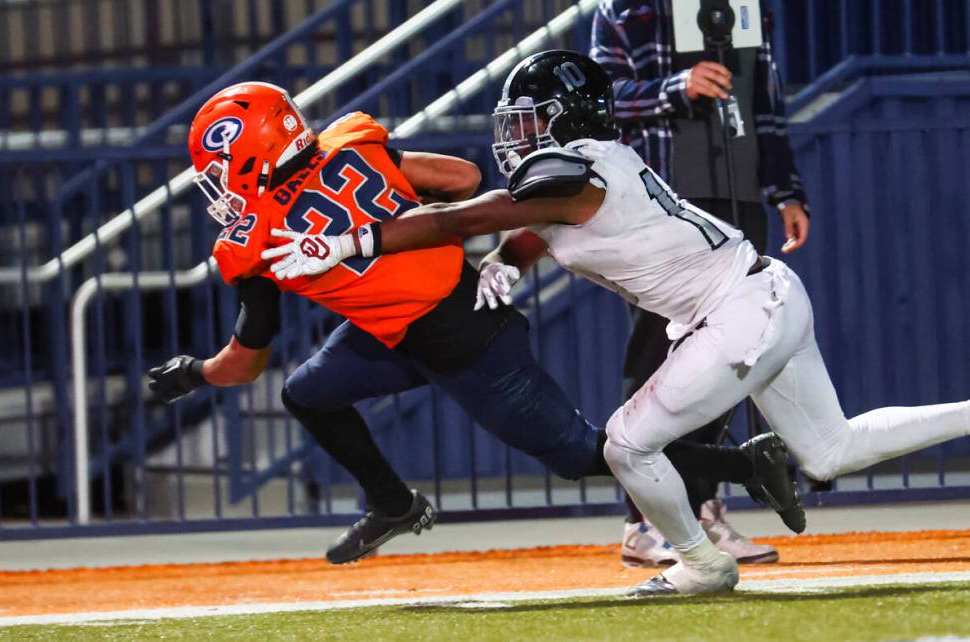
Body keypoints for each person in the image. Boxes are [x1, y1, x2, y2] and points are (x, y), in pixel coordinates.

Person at [265, 50, 970, 596]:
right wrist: (511, 260)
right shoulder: (591, 164)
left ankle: (700, 565)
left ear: (566, 118)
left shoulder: (571, 173)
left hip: (738, 311)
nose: (520, 134)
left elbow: (469, 215)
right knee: (831, 452)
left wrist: (359, 241)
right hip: (763, 295)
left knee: (628, 444)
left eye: (532, 119)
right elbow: (536, 223)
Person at [147, 80, 800, 566]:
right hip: (412, 321)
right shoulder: (350, 144)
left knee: (579, 451)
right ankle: (393, 503)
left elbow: (246, 361)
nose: (218, 184)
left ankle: (744, 466)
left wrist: (193, 373)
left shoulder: (251, 242)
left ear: (250, 153)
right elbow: (461, 178)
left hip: (463, 340)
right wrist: (381, 204)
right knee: (308, 392)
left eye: (218, 168)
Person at [589, 0, 811, 566]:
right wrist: (674, 86)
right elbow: (597, 105)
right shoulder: (622, 11)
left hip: (736, 200)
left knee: (732, 360)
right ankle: (644, 522)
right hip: (660, 206)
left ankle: (703, 509)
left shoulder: (746, 7)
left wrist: (785, 189)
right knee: (654, 359)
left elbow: (765, 101)